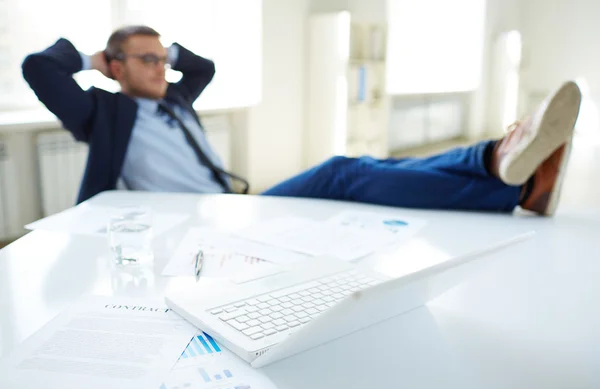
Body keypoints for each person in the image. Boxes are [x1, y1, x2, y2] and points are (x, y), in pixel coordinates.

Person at [22, 25, 582, 217]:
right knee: (341, 172)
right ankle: (499, 168)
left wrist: (160, 55)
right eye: (148, 59)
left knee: (365, 166)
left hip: (231, 209)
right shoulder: (103, 113)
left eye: (163, 56)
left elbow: (205, 66)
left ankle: (501, 170)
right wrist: (98, 61)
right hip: (192, 223)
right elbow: (38, 69)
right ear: (116, 67)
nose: (163, 65)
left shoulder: (174, 99)